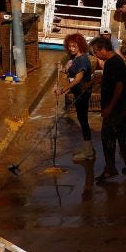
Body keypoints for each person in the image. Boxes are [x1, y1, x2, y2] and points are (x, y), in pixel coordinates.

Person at [90, 36, 126, 182]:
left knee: (108, 137)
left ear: (103, 50)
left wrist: (109, 108)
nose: (95, 55)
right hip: (122, 106)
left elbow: (119, 86)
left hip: (117, 107)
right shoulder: (112, 62)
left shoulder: (114, 62)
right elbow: (114, 80)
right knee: (124, 136)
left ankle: (110, 168)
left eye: (95, 52)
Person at [54, 33, 95, 163]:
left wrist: (63, 90)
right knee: (82, 120)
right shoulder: (75, 59)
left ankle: (88, 153)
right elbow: (70, 72)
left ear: (80, 46)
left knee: (83, 121)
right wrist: (61, 69)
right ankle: (86, 148)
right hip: (77, 93)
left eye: (74, 46)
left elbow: (77, 79)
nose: (71, 48)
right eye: (69, 46)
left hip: (82, 93)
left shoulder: (82, 59)